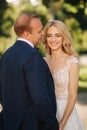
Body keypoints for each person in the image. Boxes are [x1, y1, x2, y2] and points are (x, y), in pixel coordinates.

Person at [0, 12, 59, 130]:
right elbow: (40, 98)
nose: (43, 34)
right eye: (39, 31)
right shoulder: (32, 56)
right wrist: (52, 124)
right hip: (31, 124)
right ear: (26, 34)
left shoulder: (6, 55)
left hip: (8, 124)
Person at [43, 20, 84, 130]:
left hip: (66, 114)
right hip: (47, 113)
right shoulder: (42, 61)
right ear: (45, 39)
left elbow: (72, 96)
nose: (53, 40)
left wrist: (62, 123)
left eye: (57, 36)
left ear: (63, 37)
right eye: (49, 36)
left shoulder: (71, 61)